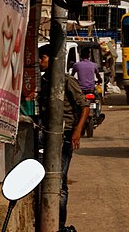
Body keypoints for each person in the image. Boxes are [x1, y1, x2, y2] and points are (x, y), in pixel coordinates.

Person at [37, 43, 90, 232]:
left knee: (59, 181)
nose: (39, 62)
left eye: (42, 58)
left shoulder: (67, 81)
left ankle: (58, 226)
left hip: (65, 134)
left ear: (52, 60)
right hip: (45, 135)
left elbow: (85, 106)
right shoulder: (43, 81)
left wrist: (77, 132)